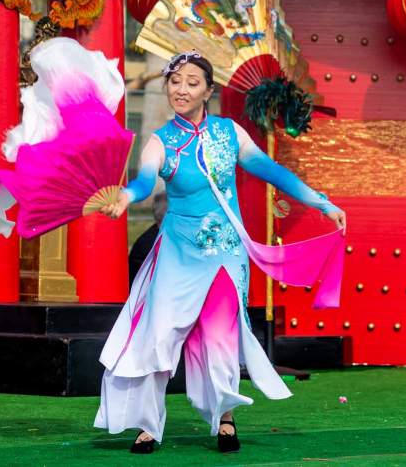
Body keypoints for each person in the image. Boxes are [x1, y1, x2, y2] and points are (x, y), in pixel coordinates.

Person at [95, 51, 347, 454]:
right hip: (178, 252)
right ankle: (147, 425)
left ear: (208, 91)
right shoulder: (161, 141)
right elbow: (144, 181)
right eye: (175, 81)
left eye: (192, 83)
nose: (181, 89)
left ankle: (225, 419)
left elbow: (272, 171)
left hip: (225, 254)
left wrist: (321, 202)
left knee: (219, 338)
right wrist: (125, 196)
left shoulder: (230, 134)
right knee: (159, 335)